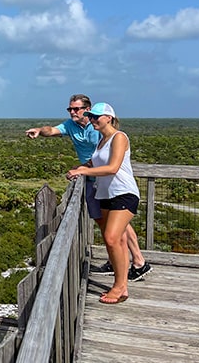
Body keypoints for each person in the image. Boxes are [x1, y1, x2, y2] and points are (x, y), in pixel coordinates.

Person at [26, 94, 151, 282]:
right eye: (70, 109)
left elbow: (113, 161)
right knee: (105, 223)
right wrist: (38, 130)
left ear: (88, 109)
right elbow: (50, 130)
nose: (73, 112)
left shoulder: (102, 129)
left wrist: (84, 170)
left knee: (118, 226)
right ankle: (117, 262)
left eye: (77, 109)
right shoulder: (73, 126)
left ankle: (137, 263)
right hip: (94, 180)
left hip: (109, 181)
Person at [66, 103, 142, 303]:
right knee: (119, 241)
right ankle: (122, 284)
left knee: (111, 238)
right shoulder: (102, 140)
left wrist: (82, 171)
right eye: (90, 116)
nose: (92, 120)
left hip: (124, 193)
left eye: (96, 117)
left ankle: (119, 287)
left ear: (109, 117)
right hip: (106, 194)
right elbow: (95, 162)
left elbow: (113, 167)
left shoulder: (119, 137)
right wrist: (82, 166)